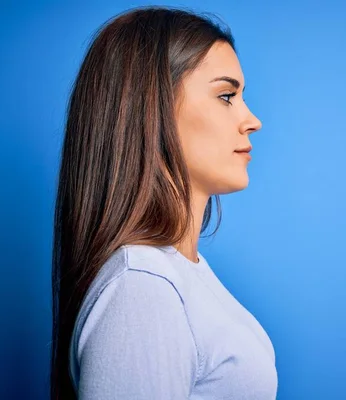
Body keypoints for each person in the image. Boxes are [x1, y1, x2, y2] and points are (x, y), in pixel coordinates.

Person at [50, 5, 277, 399]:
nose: (252, 119)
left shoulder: (176, 274)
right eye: (226, 96)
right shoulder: (142, 288)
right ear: (153, 108)